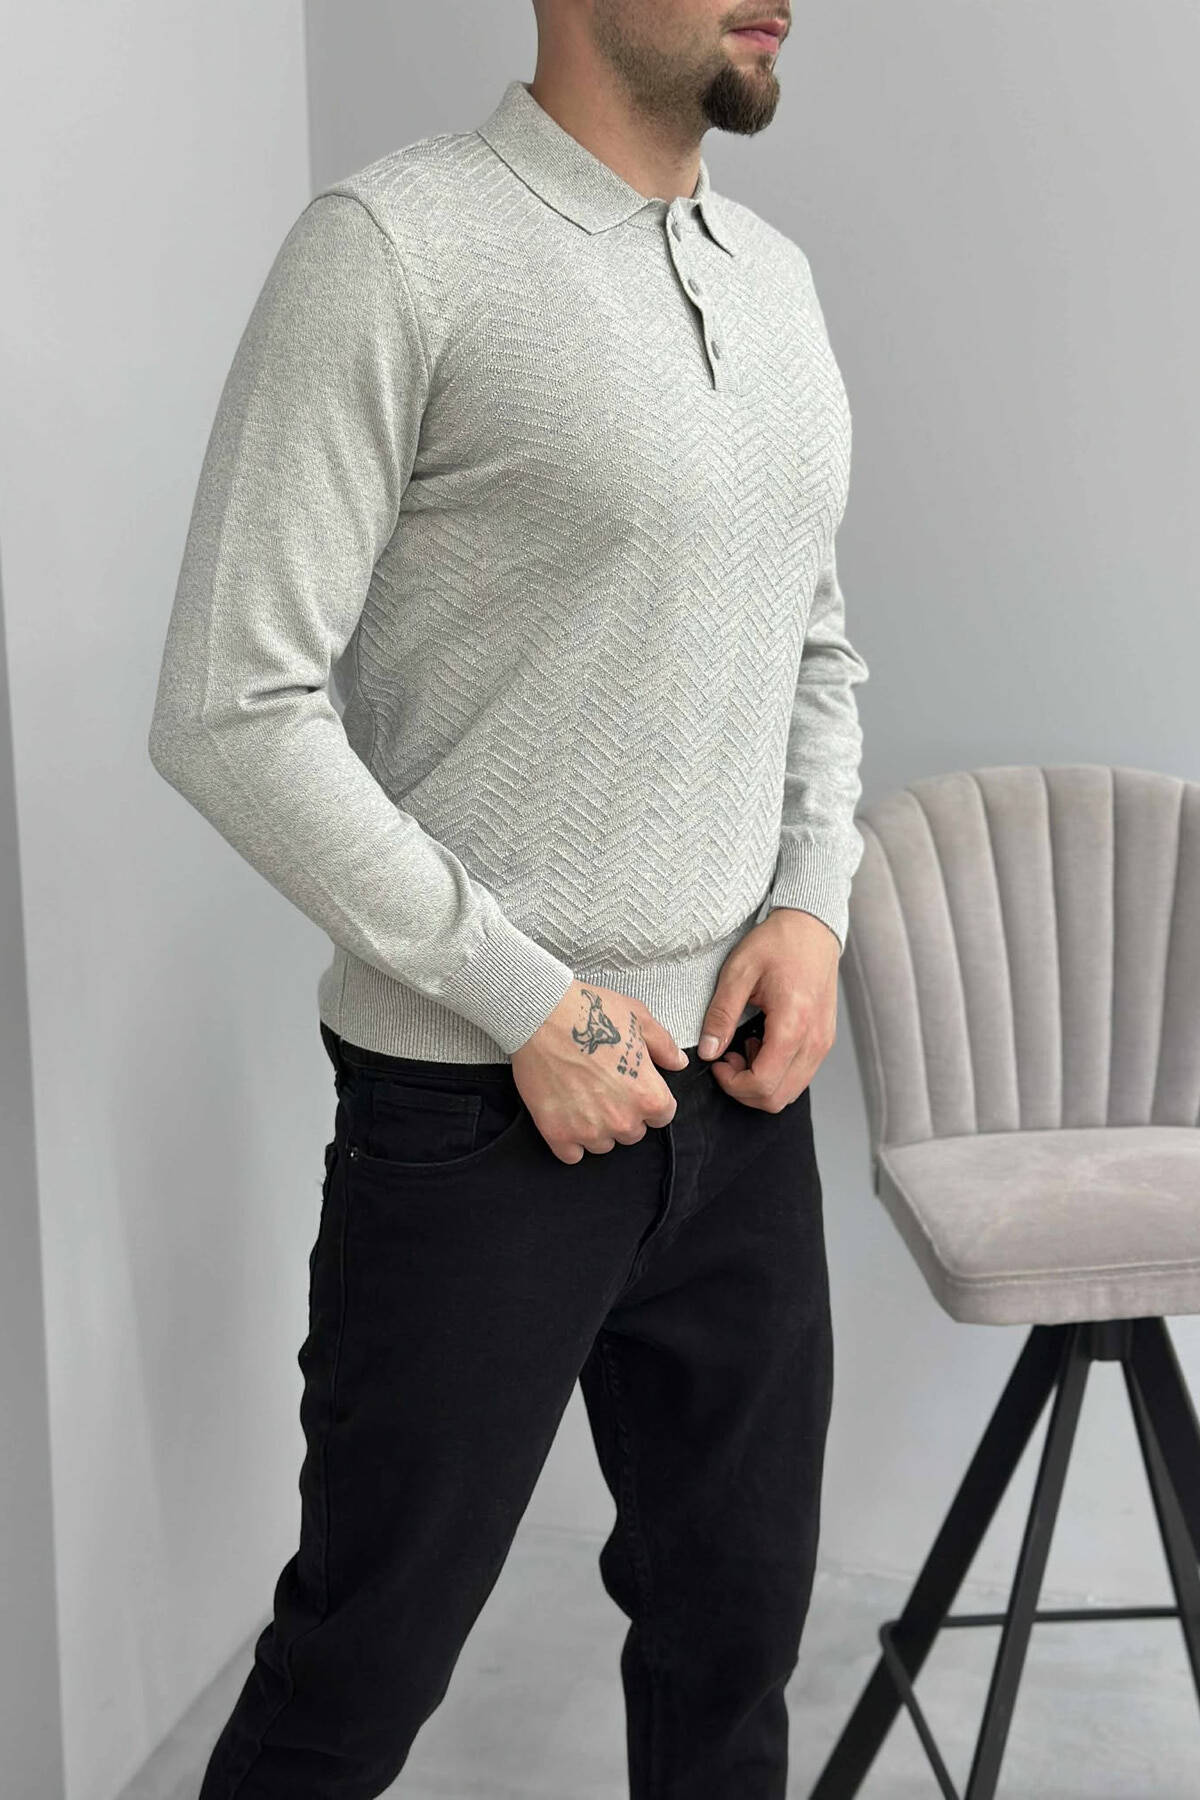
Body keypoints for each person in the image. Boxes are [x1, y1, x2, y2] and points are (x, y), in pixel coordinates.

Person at [148, 2, 869, 1793]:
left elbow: (814, 640)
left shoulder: (775, 282)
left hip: (737, 1103)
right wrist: (524, 998)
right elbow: (232, 706)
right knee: (356, 1681)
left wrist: (811, 897)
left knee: (733, 1657)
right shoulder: (394, 249)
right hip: (477, 1114)